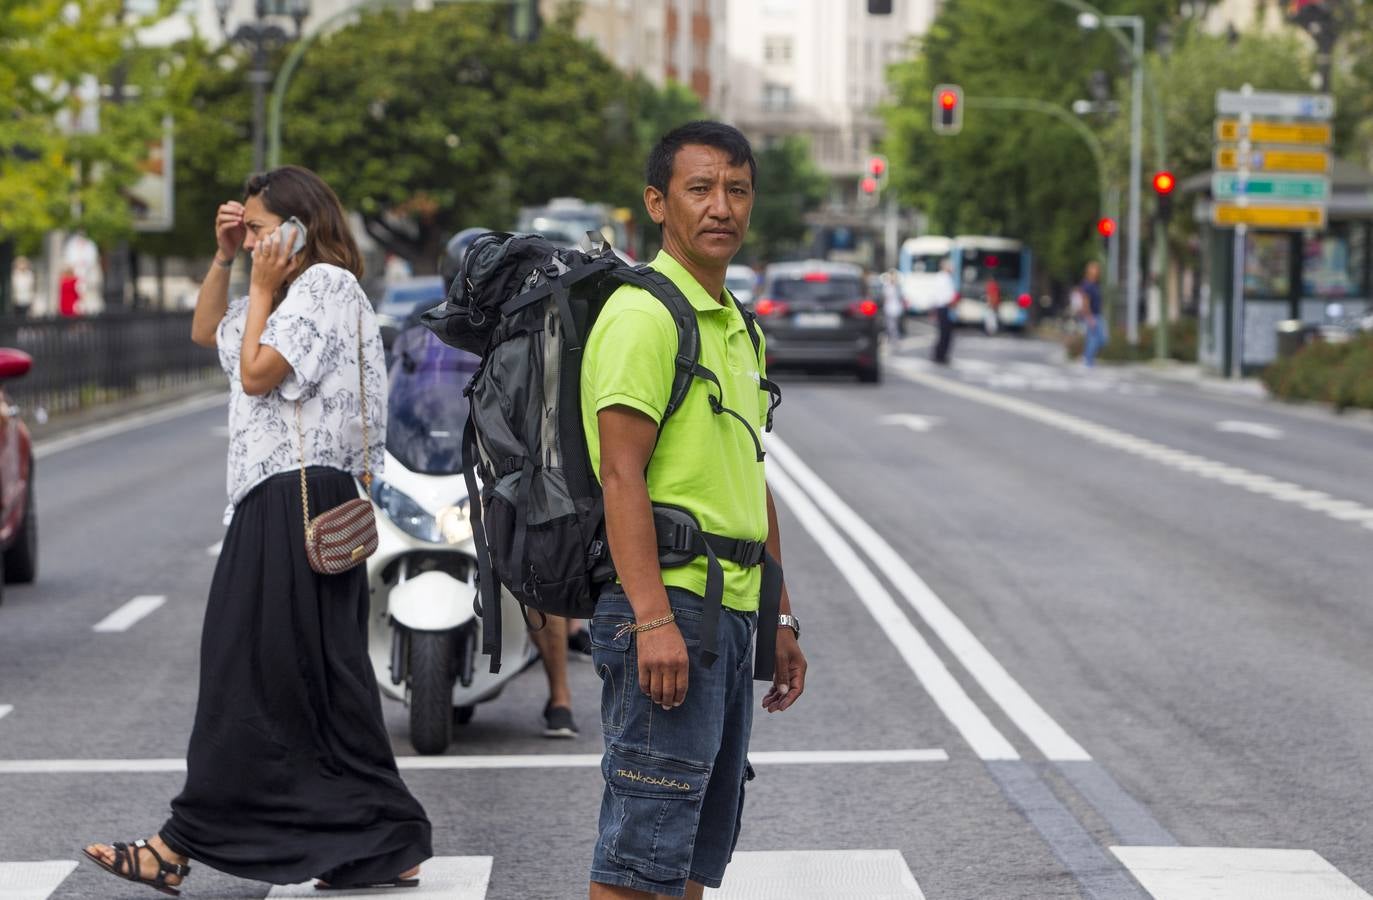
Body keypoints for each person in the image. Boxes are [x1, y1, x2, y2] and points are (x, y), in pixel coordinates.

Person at [83, 165, 432, 894]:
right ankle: (385, 837)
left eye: (262, 228)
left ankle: (175, 847)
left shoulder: (322, 288)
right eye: (248, 230)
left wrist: (266, 285)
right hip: (289, 499)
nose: (253, 240)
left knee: (244, 673)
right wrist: (224, 259)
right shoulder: (292, 292)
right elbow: (207, 330)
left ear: (300, 229)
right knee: (321, 678)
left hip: (293, 501)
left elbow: (256, 374)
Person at [582, 120, 808, 900]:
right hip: (670, 604)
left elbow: (749, 478)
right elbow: (620, 476)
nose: (722, 207)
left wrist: (778, 617)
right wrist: (650, 618)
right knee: (639, 857)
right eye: (700, 188)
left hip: (729, 614)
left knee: (688, 859)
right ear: (657, 203)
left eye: (737, 189)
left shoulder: (738, 323)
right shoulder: (644, 317)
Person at [439, 226, 580, 739]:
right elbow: (401, 401)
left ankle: (560, 694)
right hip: (440, 472)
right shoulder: (426, 338)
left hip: (512, 473)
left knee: (538, 567)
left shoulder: (530, 333)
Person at [930, 258, 957, 365]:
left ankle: (941, 355)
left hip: (945, 307)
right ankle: (939, 355)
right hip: (943, 308)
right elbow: (944, 296)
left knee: (946, 334)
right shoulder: (943, 278)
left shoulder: (945, 278)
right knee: (944, 333)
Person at [1079, 260, 1105, 368]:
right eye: (1094, 269)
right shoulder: (1087, 285)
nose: (1096, 271)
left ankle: (1087, 358)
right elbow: (1085, 302)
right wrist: (1089, 318)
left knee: (1101, 339)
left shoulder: (1095, 284)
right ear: (1089, 271)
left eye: (1097, 269)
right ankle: (1088, 360)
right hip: (1092, 316)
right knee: (1094, 339)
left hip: (1098, 315)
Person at [882, 269, 904, 344]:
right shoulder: (887, 286)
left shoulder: (898, 286)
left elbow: (901, 298)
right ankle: (892, 337)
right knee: (890, 325)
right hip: (889, 308)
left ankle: (894, 338)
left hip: (897, 308)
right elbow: (885, 297)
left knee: (894, 325)